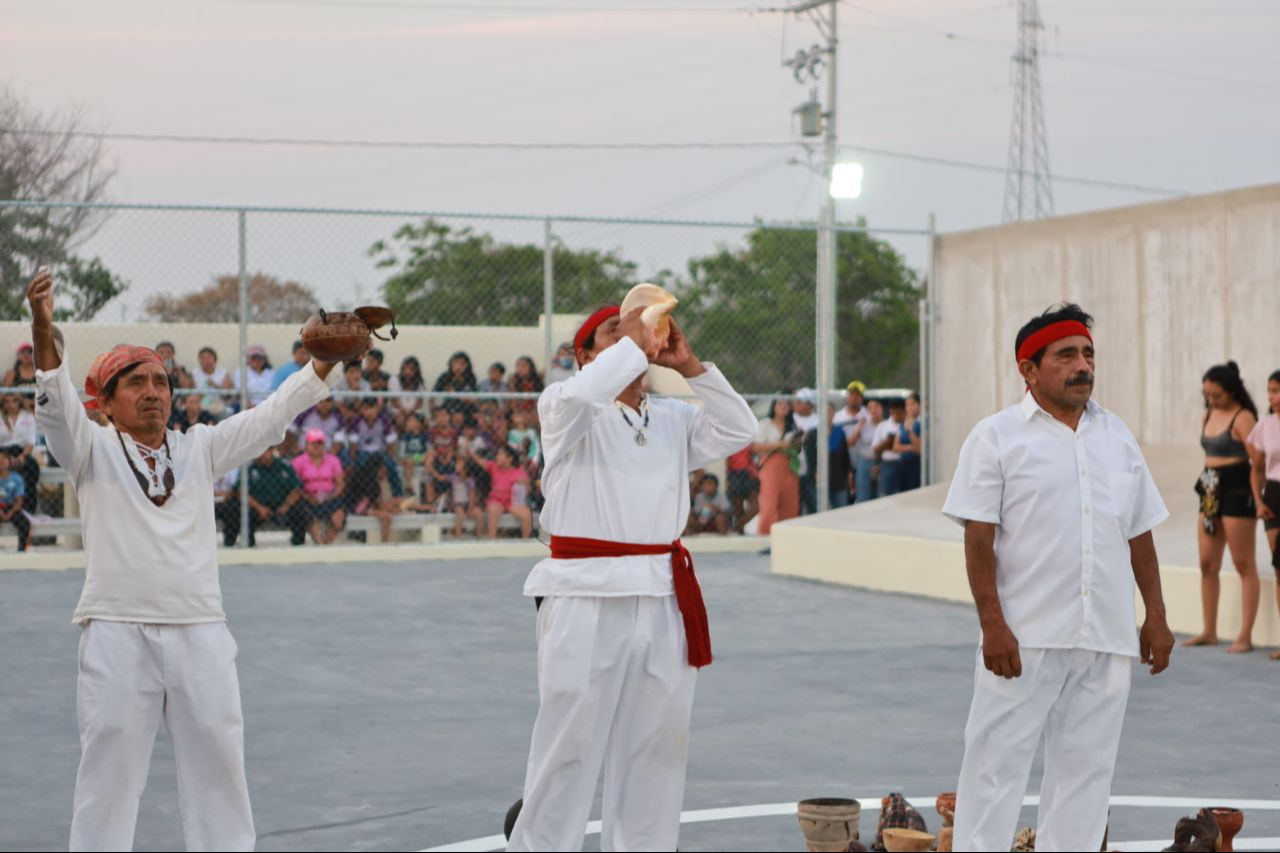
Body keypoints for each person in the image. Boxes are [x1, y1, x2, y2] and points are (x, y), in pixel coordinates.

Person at [25, 268, 344, 851]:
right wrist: (43, 328)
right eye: (135, 382)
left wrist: (321, 365)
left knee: (221, 774)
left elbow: (271, 417)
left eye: (160, 381)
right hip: (116, 630)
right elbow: (54, 404)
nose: (152, 391)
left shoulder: (199, 446)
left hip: (201, 630)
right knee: (108, 778)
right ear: (105, 404)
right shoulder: (90, 447)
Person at [506, 303, 755, 852]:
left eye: (642, 332)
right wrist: (633, 345)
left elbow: (741, 428)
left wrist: (689, 367)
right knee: (567, 748)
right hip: (583, 594)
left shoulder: (671, 416)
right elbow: (582, 394)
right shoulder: (566, 408)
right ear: (585, 354)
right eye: (615, 332)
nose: (638, 340)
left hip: (663, 598)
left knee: (656, 753)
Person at [942, 303, 1173, 852]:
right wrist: (992, 625)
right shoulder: (995, 437)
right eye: (1066, 355)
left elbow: (1139, 531)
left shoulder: (1116, 435)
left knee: (1086, 777)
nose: (1082, 366)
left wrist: (1156, 618)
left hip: (1105, 636)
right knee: (994, 769)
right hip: (1024, 637)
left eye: (1088, 353)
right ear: (1029, 369)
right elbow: (978, 538)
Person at [1185, 361, 1261, 653]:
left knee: (1243, 563)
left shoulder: (1243, 418)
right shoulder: (1209, 412)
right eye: (1207, 394)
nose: (1210, 399)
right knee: (1207, 563)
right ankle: (1209, 630)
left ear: (1231, 392)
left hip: (1237, 487)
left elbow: (1259, 462)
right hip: (1209, 487)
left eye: (1215, 394)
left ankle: (1245, 635)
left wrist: (1259, 496)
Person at [1247, 369, 1280, 659]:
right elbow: (1255, 470)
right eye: (1270, 391)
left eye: (1278, 390)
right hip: (1273, 497)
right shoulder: (1265, 425)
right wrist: (1258, 502)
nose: (1274, 397)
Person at [220, 446, 310, 547]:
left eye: (265, 451)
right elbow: (240, 492)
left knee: (301, 510)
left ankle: (298, 543)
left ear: (272, 450)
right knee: (235, 509)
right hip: (256, 508)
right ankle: (247, 545)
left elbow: (296, 489)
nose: (261, 454)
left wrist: (286, 506)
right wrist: (259, 508)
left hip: (282, 507)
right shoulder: (249, 468)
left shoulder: (284, 466)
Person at [753, 396, 801, 536]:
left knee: (790, 502)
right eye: (780, 403)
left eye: (786, 404)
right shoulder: (765, 424)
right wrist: (779, 445)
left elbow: (797, 448)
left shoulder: (792, 425)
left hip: (789, 466)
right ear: (773, 406)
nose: (783, 406)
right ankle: (765, 535)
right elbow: (755, 447)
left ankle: (787, 536)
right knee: (769, 503)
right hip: (770, 465)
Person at [292, 429, 348, 545]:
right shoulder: (298, 462)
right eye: (313, 443)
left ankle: (326, 544)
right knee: (309, 518)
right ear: (306, 444)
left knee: (338, 517)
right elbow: (295, 486)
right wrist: (308, 497)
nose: (316, 446)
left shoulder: (333, 460)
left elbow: (340, 483)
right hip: (308, 499)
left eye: (320, 443)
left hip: (330, 497)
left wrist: (332, 496)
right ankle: (320, 545)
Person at [834, 381, 875, 503]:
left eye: (858, 395)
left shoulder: (868, 415)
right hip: (844, 465)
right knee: (845, 499)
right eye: (852, 394)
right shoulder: (838, 417)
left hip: (864, 463)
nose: (854, 398)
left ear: (862, 398)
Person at [0, 391, 41, 503]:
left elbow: (30, 442)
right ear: (3, 404)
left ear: (19, 402)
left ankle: (28, 505)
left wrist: (22, 456)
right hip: (2, 452)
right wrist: (6, 458)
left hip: (22, 452)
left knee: (32, 468)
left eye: (14, 401)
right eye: (7, 402)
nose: (10, 405)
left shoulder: (28, 417)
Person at [874, 398, 906, 498]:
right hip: (888, 463)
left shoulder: (908, 425)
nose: (895, 415)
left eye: (899, 413)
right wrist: (887, 443)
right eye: (893, 412)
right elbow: (875, 449)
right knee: (885, 494)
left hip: (905, 463)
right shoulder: (882, 426)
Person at [0, 450, 31, 551]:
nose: (1, 461)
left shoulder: (16, 478)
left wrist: (10, 513)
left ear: (9, 461)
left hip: (10, 507)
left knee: (25, 524)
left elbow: (19, 501)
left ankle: (21, 551)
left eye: (4, 458)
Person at [893, 391, 924, 492]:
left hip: (916, 466)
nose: (909, 407)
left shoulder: (922, 422)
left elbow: (920, 449)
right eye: (907, 405)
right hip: (903, 464)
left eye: (913, 404)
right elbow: (895, 447)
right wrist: (910, 447)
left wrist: (909, 432)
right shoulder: (904, 423)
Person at [191, 346, 234, 418]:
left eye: (209, 357)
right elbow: (191, 394)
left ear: (215, 360)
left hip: (219, 405)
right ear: (199, 361)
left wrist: (215, 385)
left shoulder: (223, 373)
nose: (206, 361)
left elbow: (228, 396)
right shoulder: (194, 373)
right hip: (201, 406)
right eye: (203, 358)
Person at [725, 446, 760, 534]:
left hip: (750, 474)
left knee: (755, 507)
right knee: (738, 509)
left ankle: (736, 527)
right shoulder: (731, 441)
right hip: (735, 473)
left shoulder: (750, 439)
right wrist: (728, 479)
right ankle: (740, 530)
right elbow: (727, 461)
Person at [434, 350, 478, 417]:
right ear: (451, 364)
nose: (458, 367)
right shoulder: (445, 377)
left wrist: (456, 395)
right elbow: (433, 395)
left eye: (462, 364)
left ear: (467, 366)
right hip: (448, 407)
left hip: (467, 409)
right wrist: (433, 410)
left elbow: (474, 399)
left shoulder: (471, 378)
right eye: (456, 363)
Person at [388, 355, 426, 427]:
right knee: (400, 420)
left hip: (414, 411)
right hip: (398, 410)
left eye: (411, 369)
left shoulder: (419, 383)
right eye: (405, 368)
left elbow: (419, 402)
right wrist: (404, 411)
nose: (407, 371)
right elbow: (394, 400)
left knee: (423, 422)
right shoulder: (394, 379)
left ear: (416, 370)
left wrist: (411, 412)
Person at [233, 344, 275, 408]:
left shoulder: (271, 373)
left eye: (260, 358)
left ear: (265, 359)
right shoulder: (241, 371)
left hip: (267, 407)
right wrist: (252, 408)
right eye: (254, 358)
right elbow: (240, 393)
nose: (257, 360)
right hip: (247, 406)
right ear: (248, 359)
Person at [508, 355, 544, 421]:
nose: (520, 368)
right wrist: (511, 385)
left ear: (531, 367)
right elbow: (512, 403)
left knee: (538, 419)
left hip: (534, 410)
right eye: (518, 366)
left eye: (524, 366)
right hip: (519, 411)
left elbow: (539, 401)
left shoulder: (536, 381)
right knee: (518, 419)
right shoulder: (514, 381)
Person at [5, 340, 38, 409]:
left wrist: (34, 402)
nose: (26, 355)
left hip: (38, 407)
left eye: (29, 351)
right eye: (22, 352)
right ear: (18, 355)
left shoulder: (40, 373)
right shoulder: (11, 374)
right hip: (19, 409)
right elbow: (6, 396)